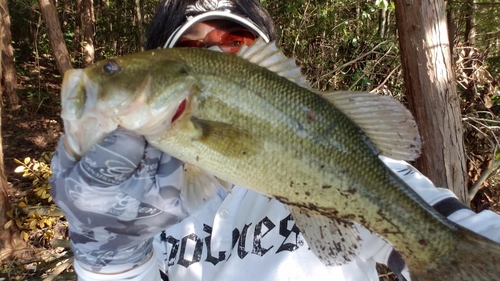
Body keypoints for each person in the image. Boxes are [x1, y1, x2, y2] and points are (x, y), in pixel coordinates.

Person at [49, 0, 500, 280]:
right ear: (168, 65)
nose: (217, 55)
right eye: (190, 47)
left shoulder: (376, 174)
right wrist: (110, 251)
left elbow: (471, 230)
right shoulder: (137, 205)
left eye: (237, 41)